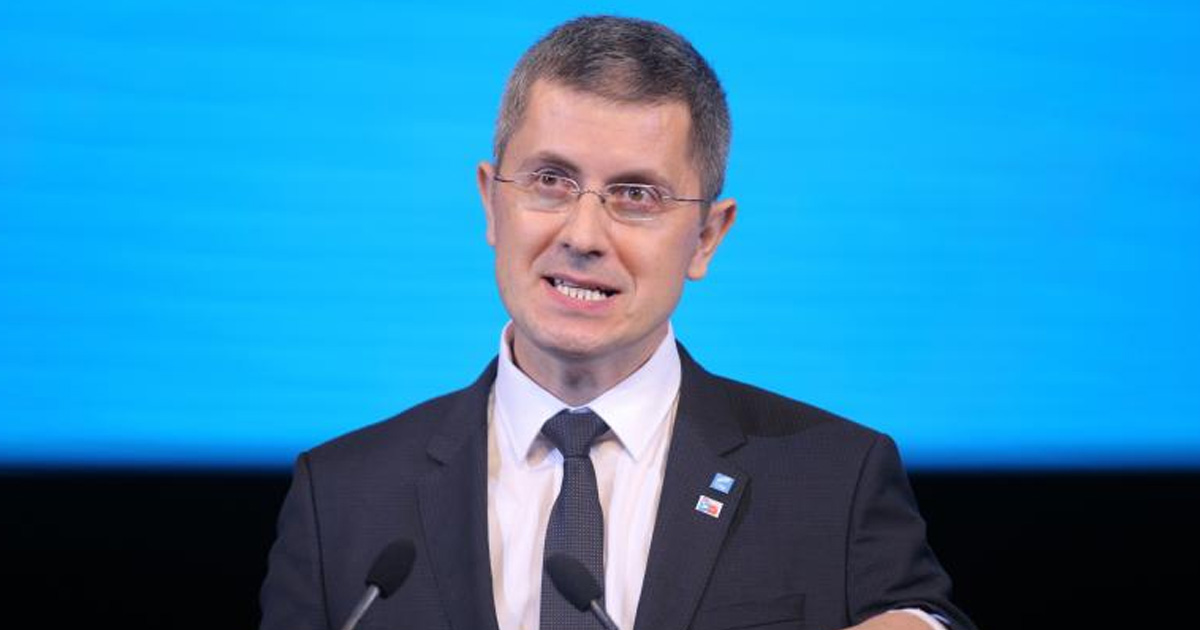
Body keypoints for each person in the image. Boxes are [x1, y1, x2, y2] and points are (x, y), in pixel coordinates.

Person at [260, 15, 975, 630]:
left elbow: (919, 616)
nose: (583, 235)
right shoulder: (342, 498)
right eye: (550, 181)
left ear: (707, 238)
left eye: (636, 195)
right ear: (490, 201)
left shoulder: (832, 479)